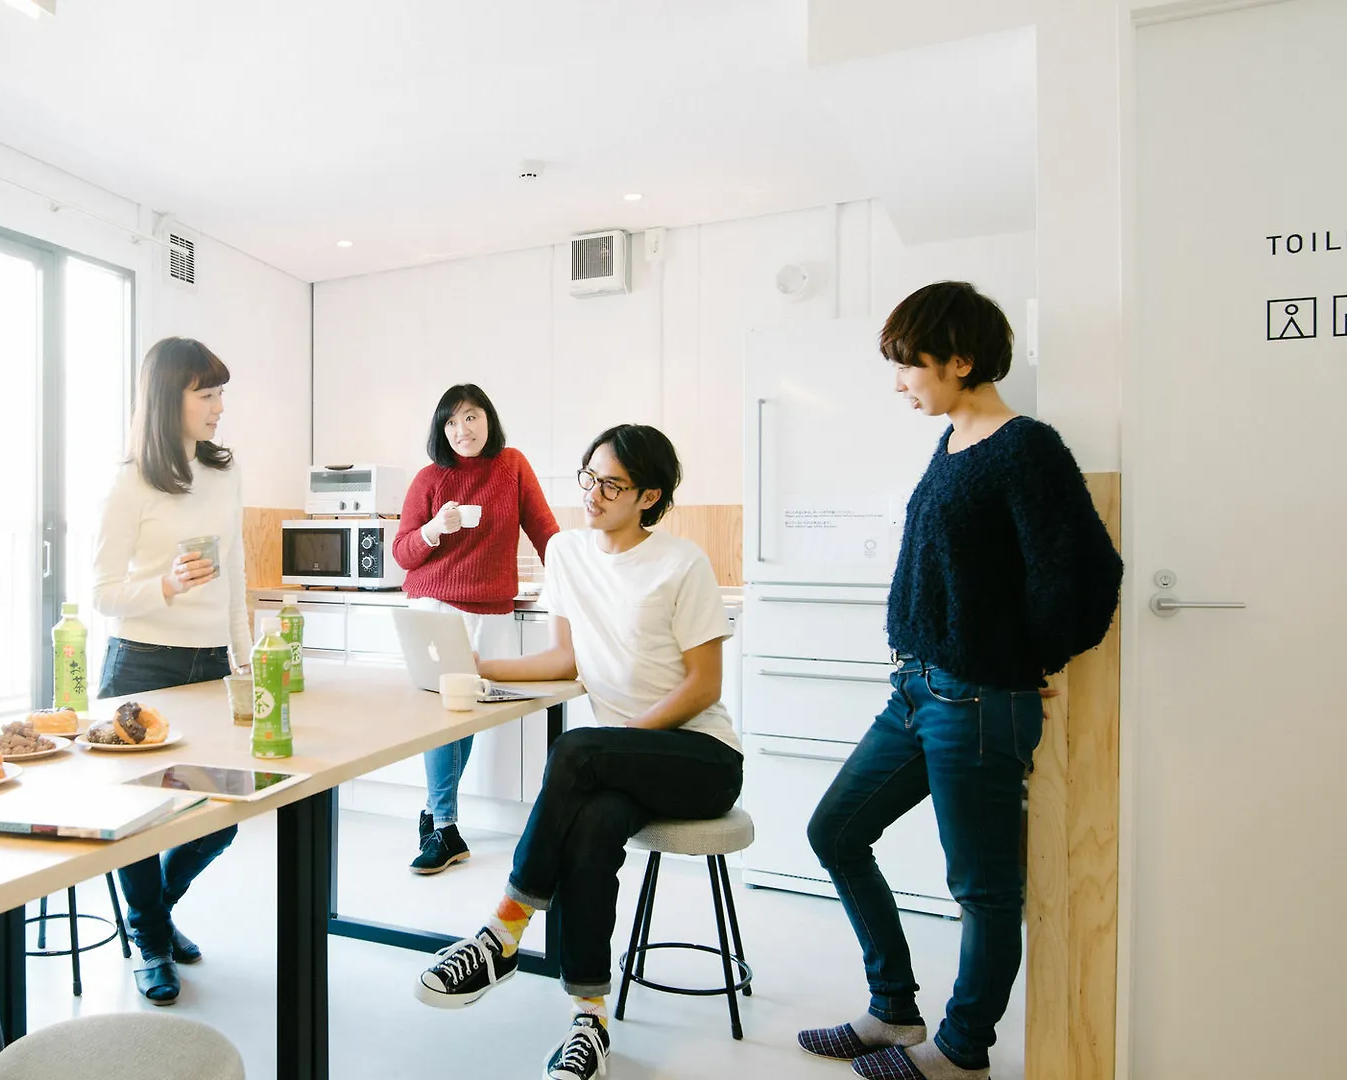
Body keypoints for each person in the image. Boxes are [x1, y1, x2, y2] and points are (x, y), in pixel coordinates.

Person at [797, 282, 1121, 1080]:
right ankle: (893, 1012)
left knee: (982, 889)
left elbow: (1082, 574)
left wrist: (1026, 661)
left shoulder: (1025, 447)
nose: (901, 382)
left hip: (976, 699)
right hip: (916, 692)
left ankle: (960, 1051)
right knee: (835, 831)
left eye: (910, 366)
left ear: (961, 361)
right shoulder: (950, 443)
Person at [412, 424, 742, 1080]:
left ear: (649, 495)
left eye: (611, 484)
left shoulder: (683, 563)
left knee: (576, 750)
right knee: (593, 826)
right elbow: (567, 658)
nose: (591, 493)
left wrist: (620, 741)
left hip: (699, 759)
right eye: (587, 477)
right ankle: (589, 1020)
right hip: (617, 761)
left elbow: (705, 684)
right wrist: (482, 667)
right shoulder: (567, 555)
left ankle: (503, 931)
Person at [89, 336, 249, 1006]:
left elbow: (236, 566)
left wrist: (246, 657)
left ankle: (147, 915)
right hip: (142, 665)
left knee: (223, 813)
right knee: (142, 822)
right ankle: (153, 944)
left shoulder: (226, 467)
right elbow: (101, 592)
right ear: (168, 399)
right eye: (205, 394)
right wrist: (165, 586)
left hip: (211, 664)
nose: (218, 407)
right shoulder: (131, 481)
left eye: (220, 393)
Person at [391, 383, 559, 874]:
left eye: (471, 417)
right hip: (436, 606)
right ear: (440, 429)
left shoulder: (513, 466)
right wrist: (434, 529)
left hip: (491, 611)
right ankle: (444, 825)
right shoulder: (429, 479)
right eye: (451, 422)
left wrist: (580, 578)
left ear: (489, 419)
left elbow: (544, 529)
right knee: (445, 719)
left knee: (470, 719)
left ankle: (434, 816)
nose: (461, 430)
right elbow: (402, 554)